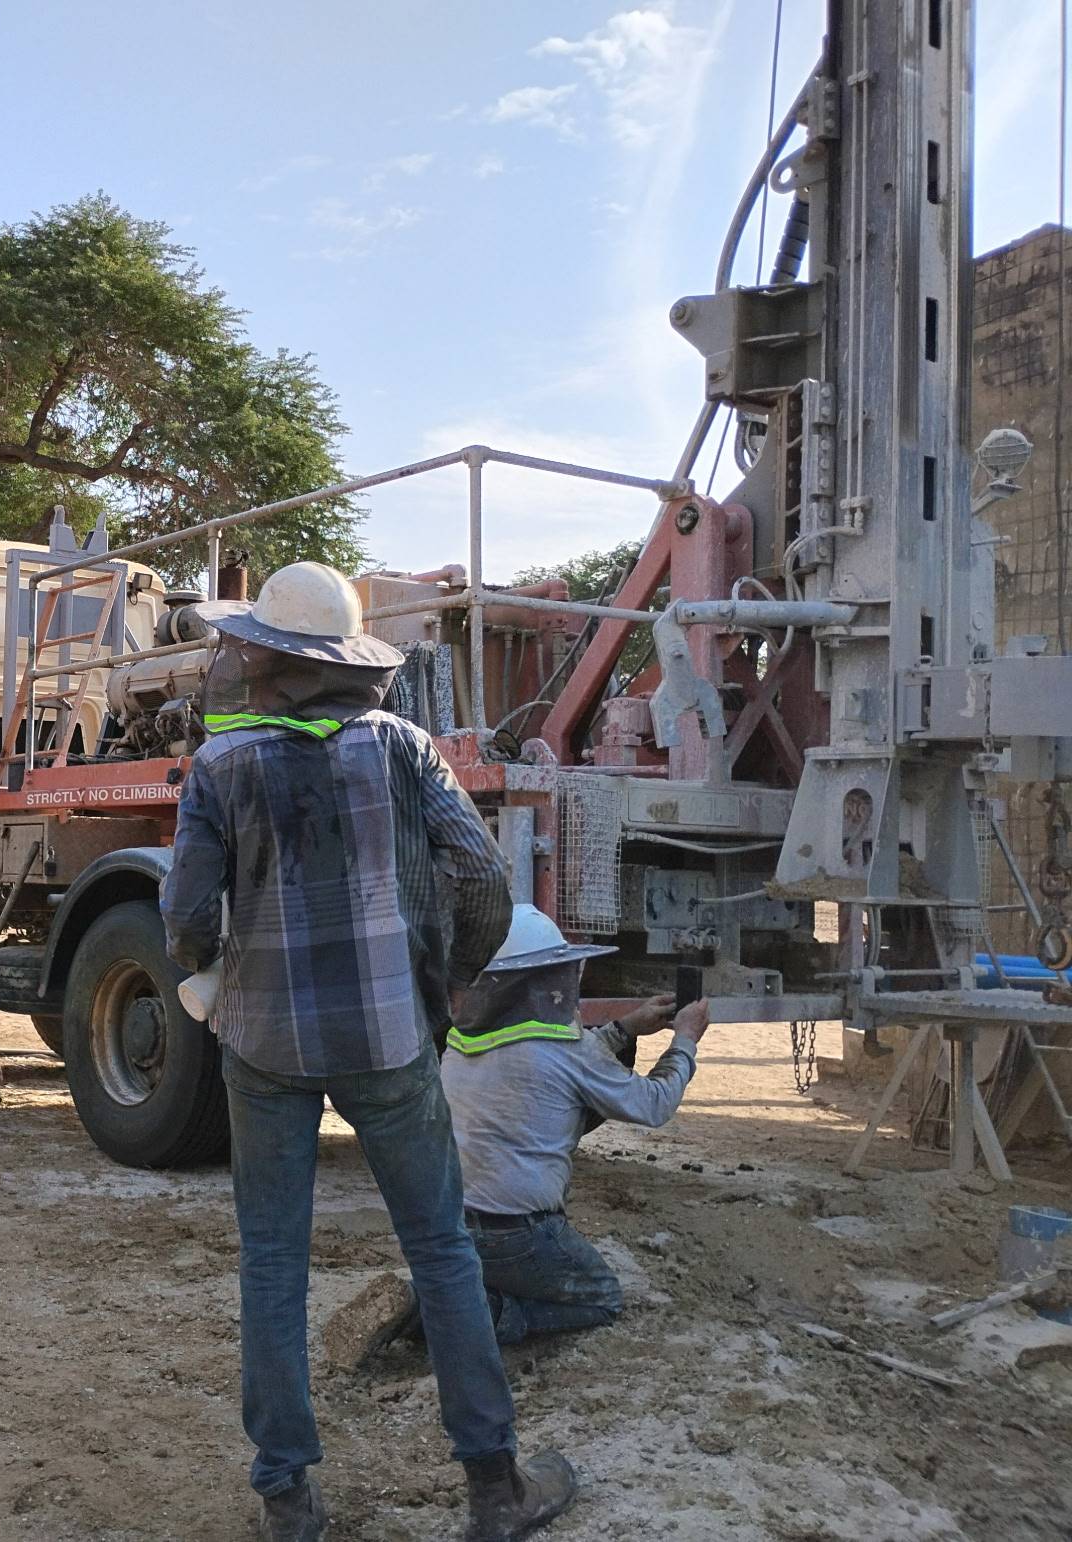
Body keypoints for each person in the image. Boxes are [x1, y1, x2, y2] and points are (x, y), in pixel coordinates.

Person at [160, 562, 577, 1542]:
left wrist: (208, 973)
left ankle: (286, 1501)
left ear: (268, 661)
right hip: (389, 1042)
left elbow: (184, 914)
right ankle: (493, 1488)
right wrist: (443, 987)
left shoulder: (220, 766)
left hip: (263, 1045)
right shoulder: (401, 747)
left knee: (272, 1261)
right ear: (345, 665)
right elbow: (479, 878)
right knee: (441, 1250)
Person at [438, 904, 709, 1345]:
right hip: (519, 1232)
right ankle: (479, 1315)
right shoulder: (570, 1053)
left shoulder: (463, 1041)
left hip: (451, 1226)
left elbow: (551, 1064)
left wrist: (624, 1028)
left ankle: (444, 1301)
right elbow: (655, 1104)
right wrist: (685, 1041)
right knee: (601, 1299)